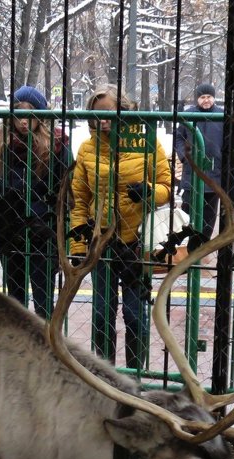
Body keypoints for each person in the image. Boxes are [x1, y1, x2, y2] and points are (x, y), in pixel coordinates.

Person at [69, 85, 173, 370]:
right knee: (102, 314)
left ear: (124, 112)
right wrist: (78, 246)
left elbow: (167, 186)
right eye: (97, 114)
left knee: (135, 314)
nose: (103, 120)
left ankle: (135, 376)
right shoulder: (87, 148)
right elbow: (80, 200)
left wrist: (149, 191)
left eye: (110, 113)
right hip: (100, 242)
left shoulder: (148, 143)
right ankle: (104, 377)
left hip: (136, 243)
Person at [0, 85, 73, 318]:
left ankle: (46, 345)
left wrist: (64, 241)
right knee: (15, 301)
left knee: (44, 301)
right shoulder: (1, 146)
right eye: (18, 111)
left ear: (40, 116)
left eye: (30, 112)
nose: (23, 119)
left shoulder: (57, 147)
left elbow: (66, 196)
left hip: (43, 233)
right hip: (9, 232)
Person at [172, 81, 224, 239]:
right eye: (202, 97)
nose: (206, 100)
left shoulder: (222, 116)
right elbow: (178, 138)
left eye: (209, 96)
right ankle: (187, 239)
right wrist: (183, 155)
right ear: (197, 99)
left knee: (209, 211)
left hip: (214, 172)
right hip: (192, 171)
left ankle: (205, 241)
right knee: (188, 208)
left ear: (214, 98)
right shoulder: (189, 115)